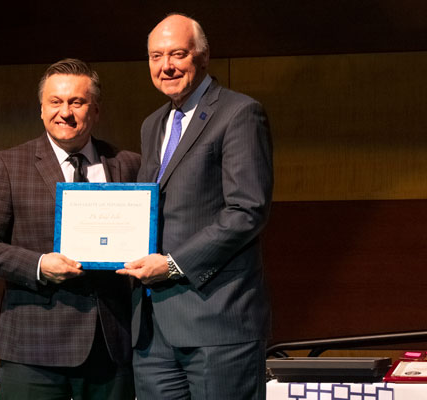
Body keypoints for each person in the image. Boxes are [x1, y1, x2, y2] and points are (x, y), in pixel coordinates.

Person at [0, 58, 140, 400]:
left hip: (112, 347)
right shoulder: (8, 165)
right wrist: (40, 265)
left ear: (96, 110)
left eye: (77, 102)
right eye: (55, 102)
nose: (65, 112)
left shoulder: (130, 164)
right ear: (41, 110)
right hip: (34, 351)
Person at [116, 14, 273, 399]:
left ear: (202, 57)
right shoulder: (153, 124)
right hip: (153, 329)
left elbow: (246, 210)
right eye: (156, 56)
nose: (165, 66)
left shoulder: (239, 114)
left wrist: (171, 264)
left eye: (177, 54)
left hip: (217, 322)